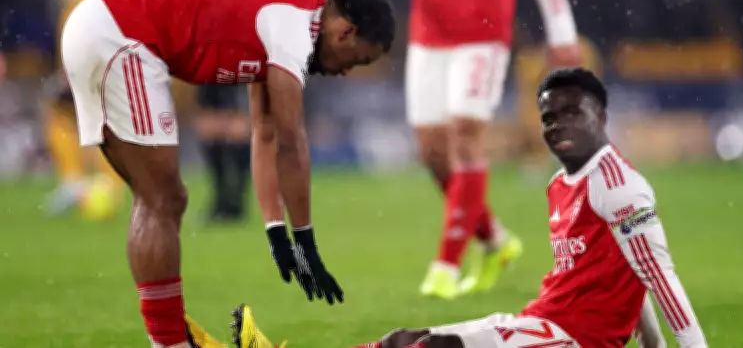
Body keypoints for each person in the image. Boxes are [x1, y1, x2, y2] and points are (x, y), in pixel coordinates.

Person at [233, 68, 708, 348]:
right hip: (542, 324)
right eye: (548, 117)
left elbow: (660, 279)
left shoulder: (619, 186)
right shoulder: (560, 184)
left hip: (570, 339)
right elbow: (628, 272)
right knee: (402, 339)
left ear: (601, 117)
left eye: (571, 113)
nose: (557, 125)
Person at [60, 0, 396, 348]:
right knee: (162, 199)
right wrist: (306, 244)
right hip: (119, 37)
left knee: (160, 198)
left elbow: (265, 133)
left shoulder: (290, 19)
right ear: (345, 31)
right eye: (359, 58)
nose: (347, 70)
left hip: (105, 28)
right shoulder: (294, 30)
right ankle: (169, 342)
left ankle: (169, 339)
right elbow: (290, 143)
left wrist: (277, 232)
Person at [327, 0, 582, 299]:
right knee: (432, 153)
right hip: (429, 34)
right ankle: (496, 242)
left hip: (483, 35)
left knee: (465, 135)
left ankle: (445, 264)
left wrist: (561, 31)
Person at [193, 0, 275, 222]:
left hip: (240, 47)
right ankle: (219, 200)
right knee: (209, 123)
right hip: (208, 48)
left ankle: (236, 202)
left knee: (237, 123)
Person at [43, 0, 127, 216]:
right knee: (71, 116)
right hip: (87, 59)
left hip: (93, 60)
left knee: (90, 119)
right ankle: (88, 183)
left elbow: (94, 16)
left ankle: (97, 183)